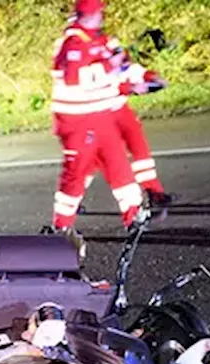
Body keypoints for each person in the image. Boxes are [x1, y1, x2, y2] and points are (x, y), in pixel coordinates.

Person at [48, 0, 145, 254]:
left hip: (100, 119)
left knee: (118, 166)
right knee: (76, 176)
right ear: (89, 14)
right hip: (78, 124)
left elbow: (119, 70)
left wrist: (137, 82)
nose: (102, 15)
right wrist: (109, 68)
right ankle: (61, 228)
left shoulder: (100, 40)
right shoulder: (73, 43)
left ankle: (134, 216)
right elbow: (74, 78)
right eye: (99, 11)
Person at [105, 36, 174, 207]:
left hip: (121, 112)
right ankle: (72, 205)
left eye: (120, 52)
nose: (120, 56)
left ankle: (153, 191)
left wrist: (155, 79)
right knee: (93, 164)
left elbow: (141, 73)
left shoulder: (124, 67)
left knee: (141, 152)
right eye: (115, 53)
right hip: (100, 117)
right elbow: (101, 87)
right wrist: (129, 88)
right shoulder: (95, 71)